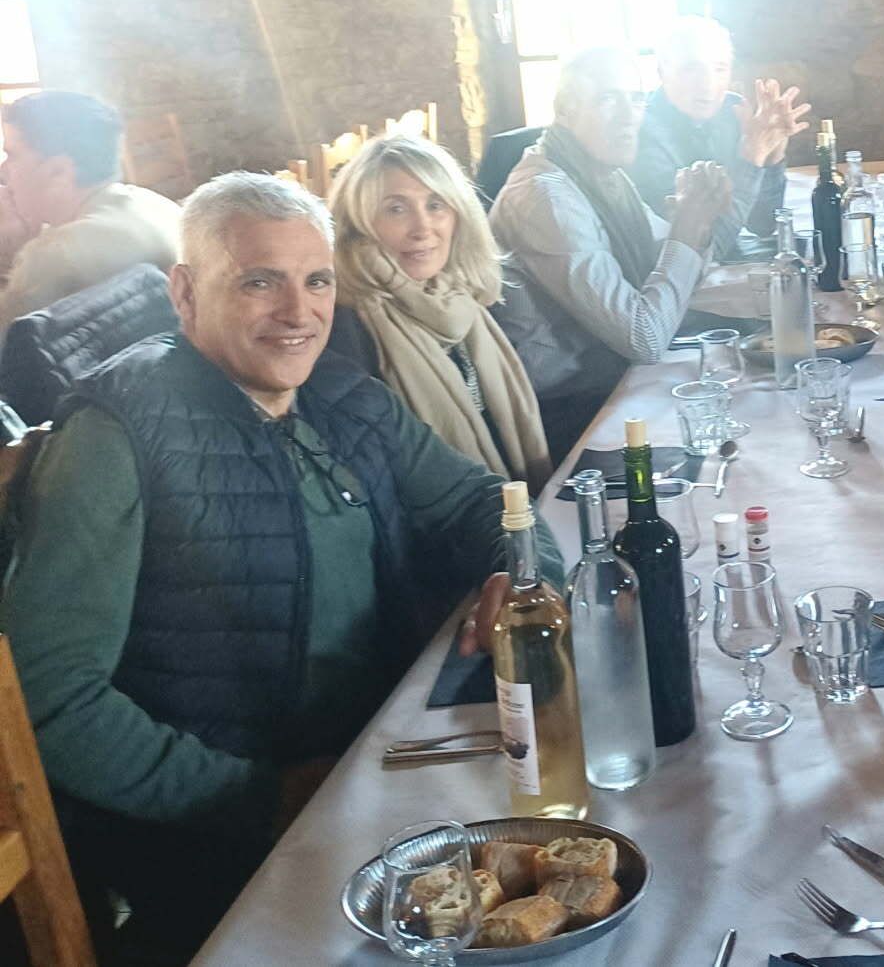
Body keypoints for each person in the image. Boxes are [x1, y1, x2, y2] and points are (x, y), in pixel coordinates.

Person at [0, 171, 560, 964]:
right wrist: (264, 797)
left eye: (317, 280)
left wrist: (525, 572)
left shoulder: (338, 390)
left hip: (386, 762)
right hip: (232, 838)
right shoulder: (116, 435)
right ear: (185, 292)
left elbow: (483, 501)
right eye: (259, 282)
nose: (300, 313)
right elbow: (47, 698)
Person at [490, 46, 732, 462]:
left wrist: (697, 222)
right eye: (608, 99)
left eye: (636, 99)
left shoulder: (602, 176)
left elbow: (676, 272)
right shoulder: (546, 196)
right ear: (565, 109)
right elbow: (645, 337)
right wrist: (686, 232)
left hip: (620, 383)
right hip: (573, 414)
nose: (628, 117)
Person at [325, 134, 551, 487]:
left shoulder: (460, 300)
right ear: (358, 225)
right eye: (396, 209)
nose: (422, 228)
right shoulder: (348, 329)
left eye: (436, 205)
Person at [626, 16, 810, 262]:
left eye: (720, 69)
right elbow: (703, 249)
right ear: (662, 72)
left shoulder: (733, 110)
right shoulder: (639, 131)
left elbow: (763, 224)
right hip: (664, 269)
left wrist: (773, 154)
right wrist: (752, 155)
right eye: (691, 69)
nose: (707, 84)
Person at [0, 91, 179, 337]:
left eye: (12, 156)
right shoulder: (155, 203)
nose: (3, 169)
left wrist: (16, 256)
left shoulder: (51, 255)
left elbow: (6, 346)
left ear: (58, 171)